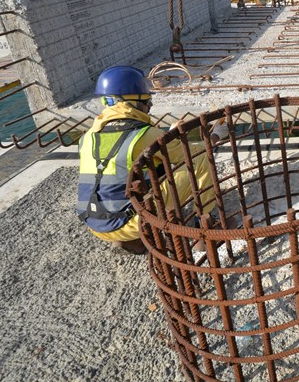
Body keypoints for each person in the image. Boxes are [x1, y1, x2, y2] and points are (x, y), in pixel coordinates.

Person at [76, 66, 215, 254]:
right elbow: (192, 153)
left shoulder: (87, 137)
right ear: (134, 102)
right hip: (132, 221)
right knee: (201, 158)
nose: (149, 107)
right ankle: (206, 225)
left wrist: (167, 136)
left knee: (131, 175)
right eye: (147, 101)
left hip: (95, 224)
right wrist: (215, 136)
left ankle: (127, 240)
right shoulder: (144, 134)